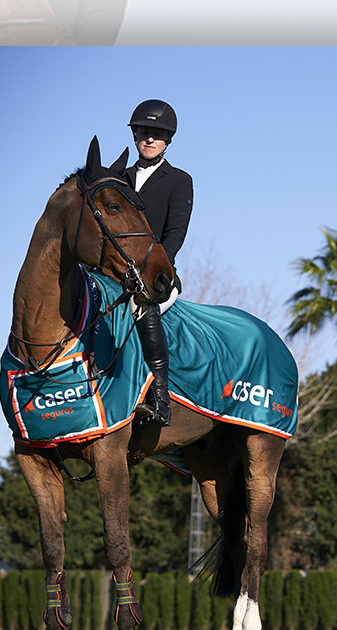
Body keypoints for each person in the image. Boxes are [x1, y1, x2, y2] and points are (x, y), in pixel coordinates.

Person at [122, 98, 193, 425]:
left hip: (155, 278)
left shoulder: (179, 180)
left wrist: (153, 269)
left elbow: (175, 233)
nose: (150, 139)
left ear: (168, 141)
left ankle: (161, 400)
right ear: (136, 135)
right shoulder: (117, 179)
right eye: (144, 132)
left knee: (142, 308)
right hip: (115, 274)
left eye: (158, 134)